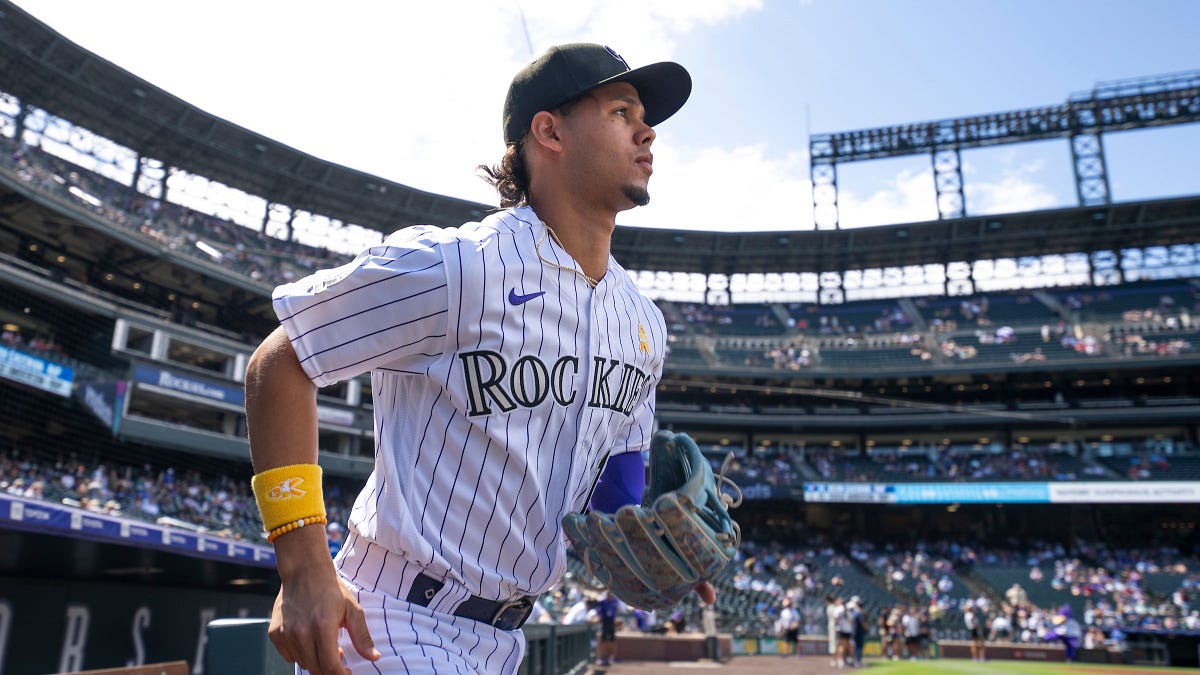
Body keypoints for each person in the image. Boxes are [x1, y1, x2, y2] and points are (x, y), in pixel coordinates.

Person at [244, 42, 698, 675]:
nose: (648, 130)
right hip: (391, 622)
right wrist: (303, 566)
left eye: (643, 116)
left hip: (505, 639)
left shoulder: (641, 323)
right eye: (622, 110)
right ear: (550, 131)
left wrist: (655, 548)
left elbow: (613, 488)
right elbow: (279, 363)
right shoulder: (460, 266)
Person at [595, 591, 621, 666]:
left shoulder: (614, 601)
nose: (610, 596)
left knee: (613, 640)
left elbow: (617, 609)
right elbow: (599, 611)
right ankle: (601, 658)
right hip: (604, 622)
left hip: (611, 622)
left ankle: (613, 657)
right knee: (603, 640)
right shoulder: (603, 602)